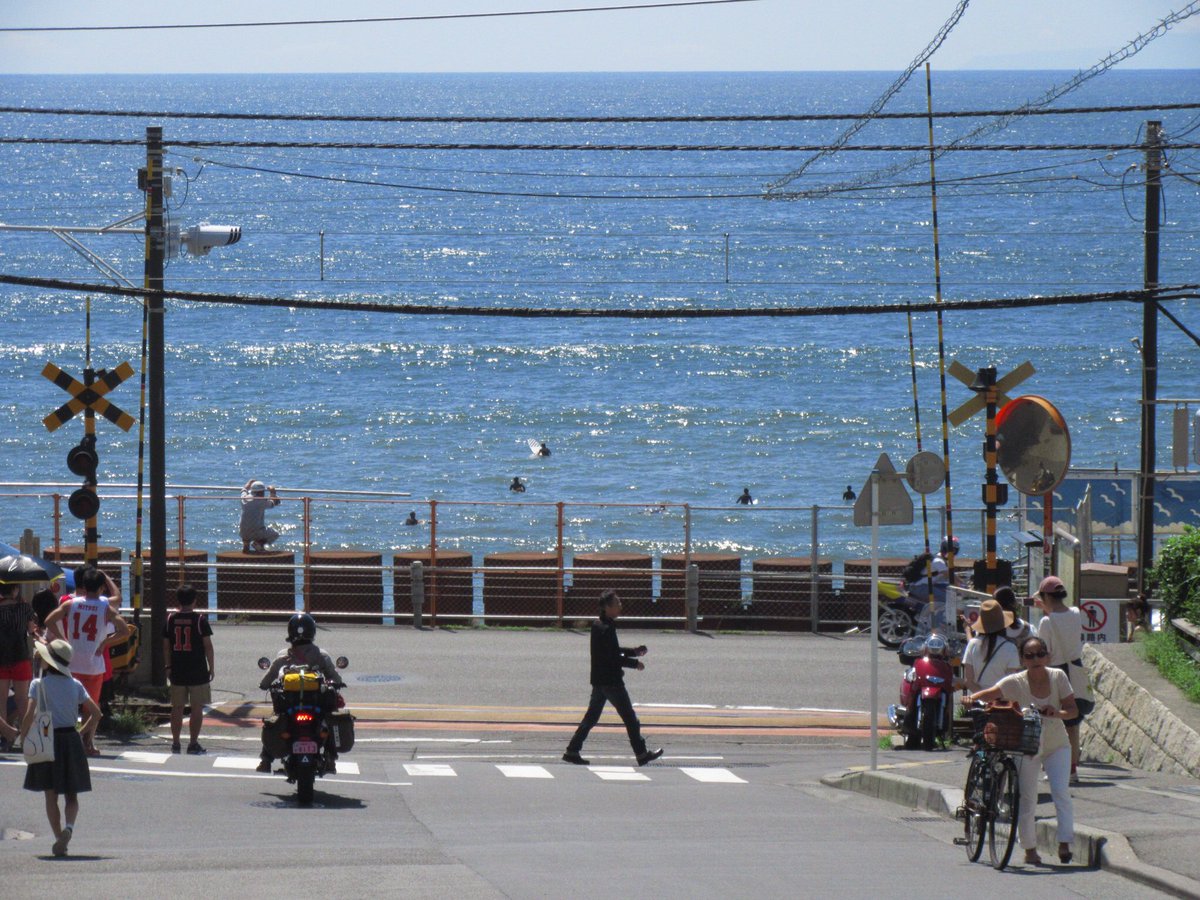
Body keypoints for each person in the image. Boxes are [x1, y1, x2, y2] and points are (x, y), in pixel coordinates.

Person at [969, 635, 1077, 866]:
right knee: (1027, 798)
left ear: (1047, 655)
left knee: (1061, 792)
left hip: (1057, 744)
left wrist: (1056, 713)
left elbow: (1072, 710)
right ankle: (1029, 849)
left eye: (1040, 654)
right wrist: (970, 699)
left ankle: (1065, 842)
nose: (1036, 659)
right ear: (1022, 659)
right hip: (1026, 746)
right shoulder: (1015, 682)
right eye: (1030, 655)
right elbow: (990, 694)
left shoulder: (1058, 676)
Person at [17, 638, 102, 858]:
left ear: (48, 661)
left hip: (47, 738)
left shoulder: (39, 685)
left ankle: (59, 840)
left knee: (50, 794)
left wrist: (23, 737)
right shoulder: (75, 684)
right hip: (70, 739)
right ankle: (69, 828)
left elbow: (29, 716)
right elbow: (96, 713)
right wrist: (82, 732)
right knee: (72, 794)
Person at [563, 590, 663, 767]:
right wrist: (635, 663)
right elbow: (613, 657)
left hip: (599, 681)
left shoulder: (598, 625)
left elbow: (612, 650)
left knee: (591, 718)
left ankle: (572, 750)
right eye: (617, 603)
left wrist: (633, 651)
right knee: (630, 719)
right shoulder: (607, 628)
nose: (620, 605)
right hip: (611, 682)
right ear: (608, 607)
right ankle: (641, 754)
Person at [43, 567, 129, 756]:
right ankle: (86, 743)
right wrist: (105, 642)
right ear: (100, 588)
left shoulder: (71, 603)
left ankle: (66, 739)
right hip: (93, 664)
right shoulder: (104, 606)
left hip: (71, 662)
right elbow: (125, 631)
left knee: (70, 704)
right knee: (91, 707)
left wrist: (62, 638)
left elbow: (49, 620)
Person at [257, 613, 343, 773]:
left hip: (291, 706)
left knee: (276, 720)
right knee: (328, 720)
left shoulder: (283, 656)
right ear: (312, 632)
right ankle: (331, 759)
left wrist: (266, 685)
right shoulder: (321, 655)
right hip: (315, 705)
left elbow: (265, 681)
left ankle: (266, 761)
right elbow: (335, 678)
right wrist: (337, 682)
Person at [1035, 575, 1092, 784]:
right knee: (1073, 723)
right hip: (1075, 667)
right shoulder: (1076, 613)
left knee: (1053, 720)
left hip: (1055, 671)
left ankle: (1054, 768)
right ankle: (1072, 770)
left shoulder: (1046, 622)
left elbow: (1044, 653)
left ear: (1045, 596)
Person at [163, 584, 214, 755]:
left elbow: (166, 646)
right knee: (196, 707)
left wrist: (168, 666)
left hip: (177, 668)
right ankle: (193, 743)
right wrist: (211, 667)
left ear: (178, 600)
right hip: (197, 669)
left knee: (177, 707)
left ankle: (176, 743)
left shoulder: (170, 619)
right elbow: (208, 646)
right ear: (194, 600)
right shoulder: (200, 620)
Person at [0, 581, 37, 751]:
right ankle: (26, 737)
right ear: (15, 590)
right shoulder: (25, 608)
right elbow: (31, 630)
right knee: (22, 700)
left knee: (1, 701)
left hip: (1, 657)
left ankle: (5, 738)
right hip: (21, 656)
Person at [960, 598, 1021, 693]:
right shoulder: (1010, 647)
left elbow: (968, 681)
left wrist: (984, 698)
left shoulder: (972, 644)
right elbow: (1011, 682)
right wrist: (994, 699)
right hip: (1002, 702)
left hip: (978, 702)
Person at [240, 479, 281, 553]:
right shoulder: (261, 501)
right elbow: (272, 503)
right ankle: (258, 544)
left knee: (246, 533)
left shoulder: (244, 498)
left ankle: (246, 546)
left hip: (243, 532)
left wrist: (249, 483)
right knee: (275, 534)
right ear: (262, 492)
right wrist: (273, 492)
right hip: (256, 531)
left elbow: (244, 490)